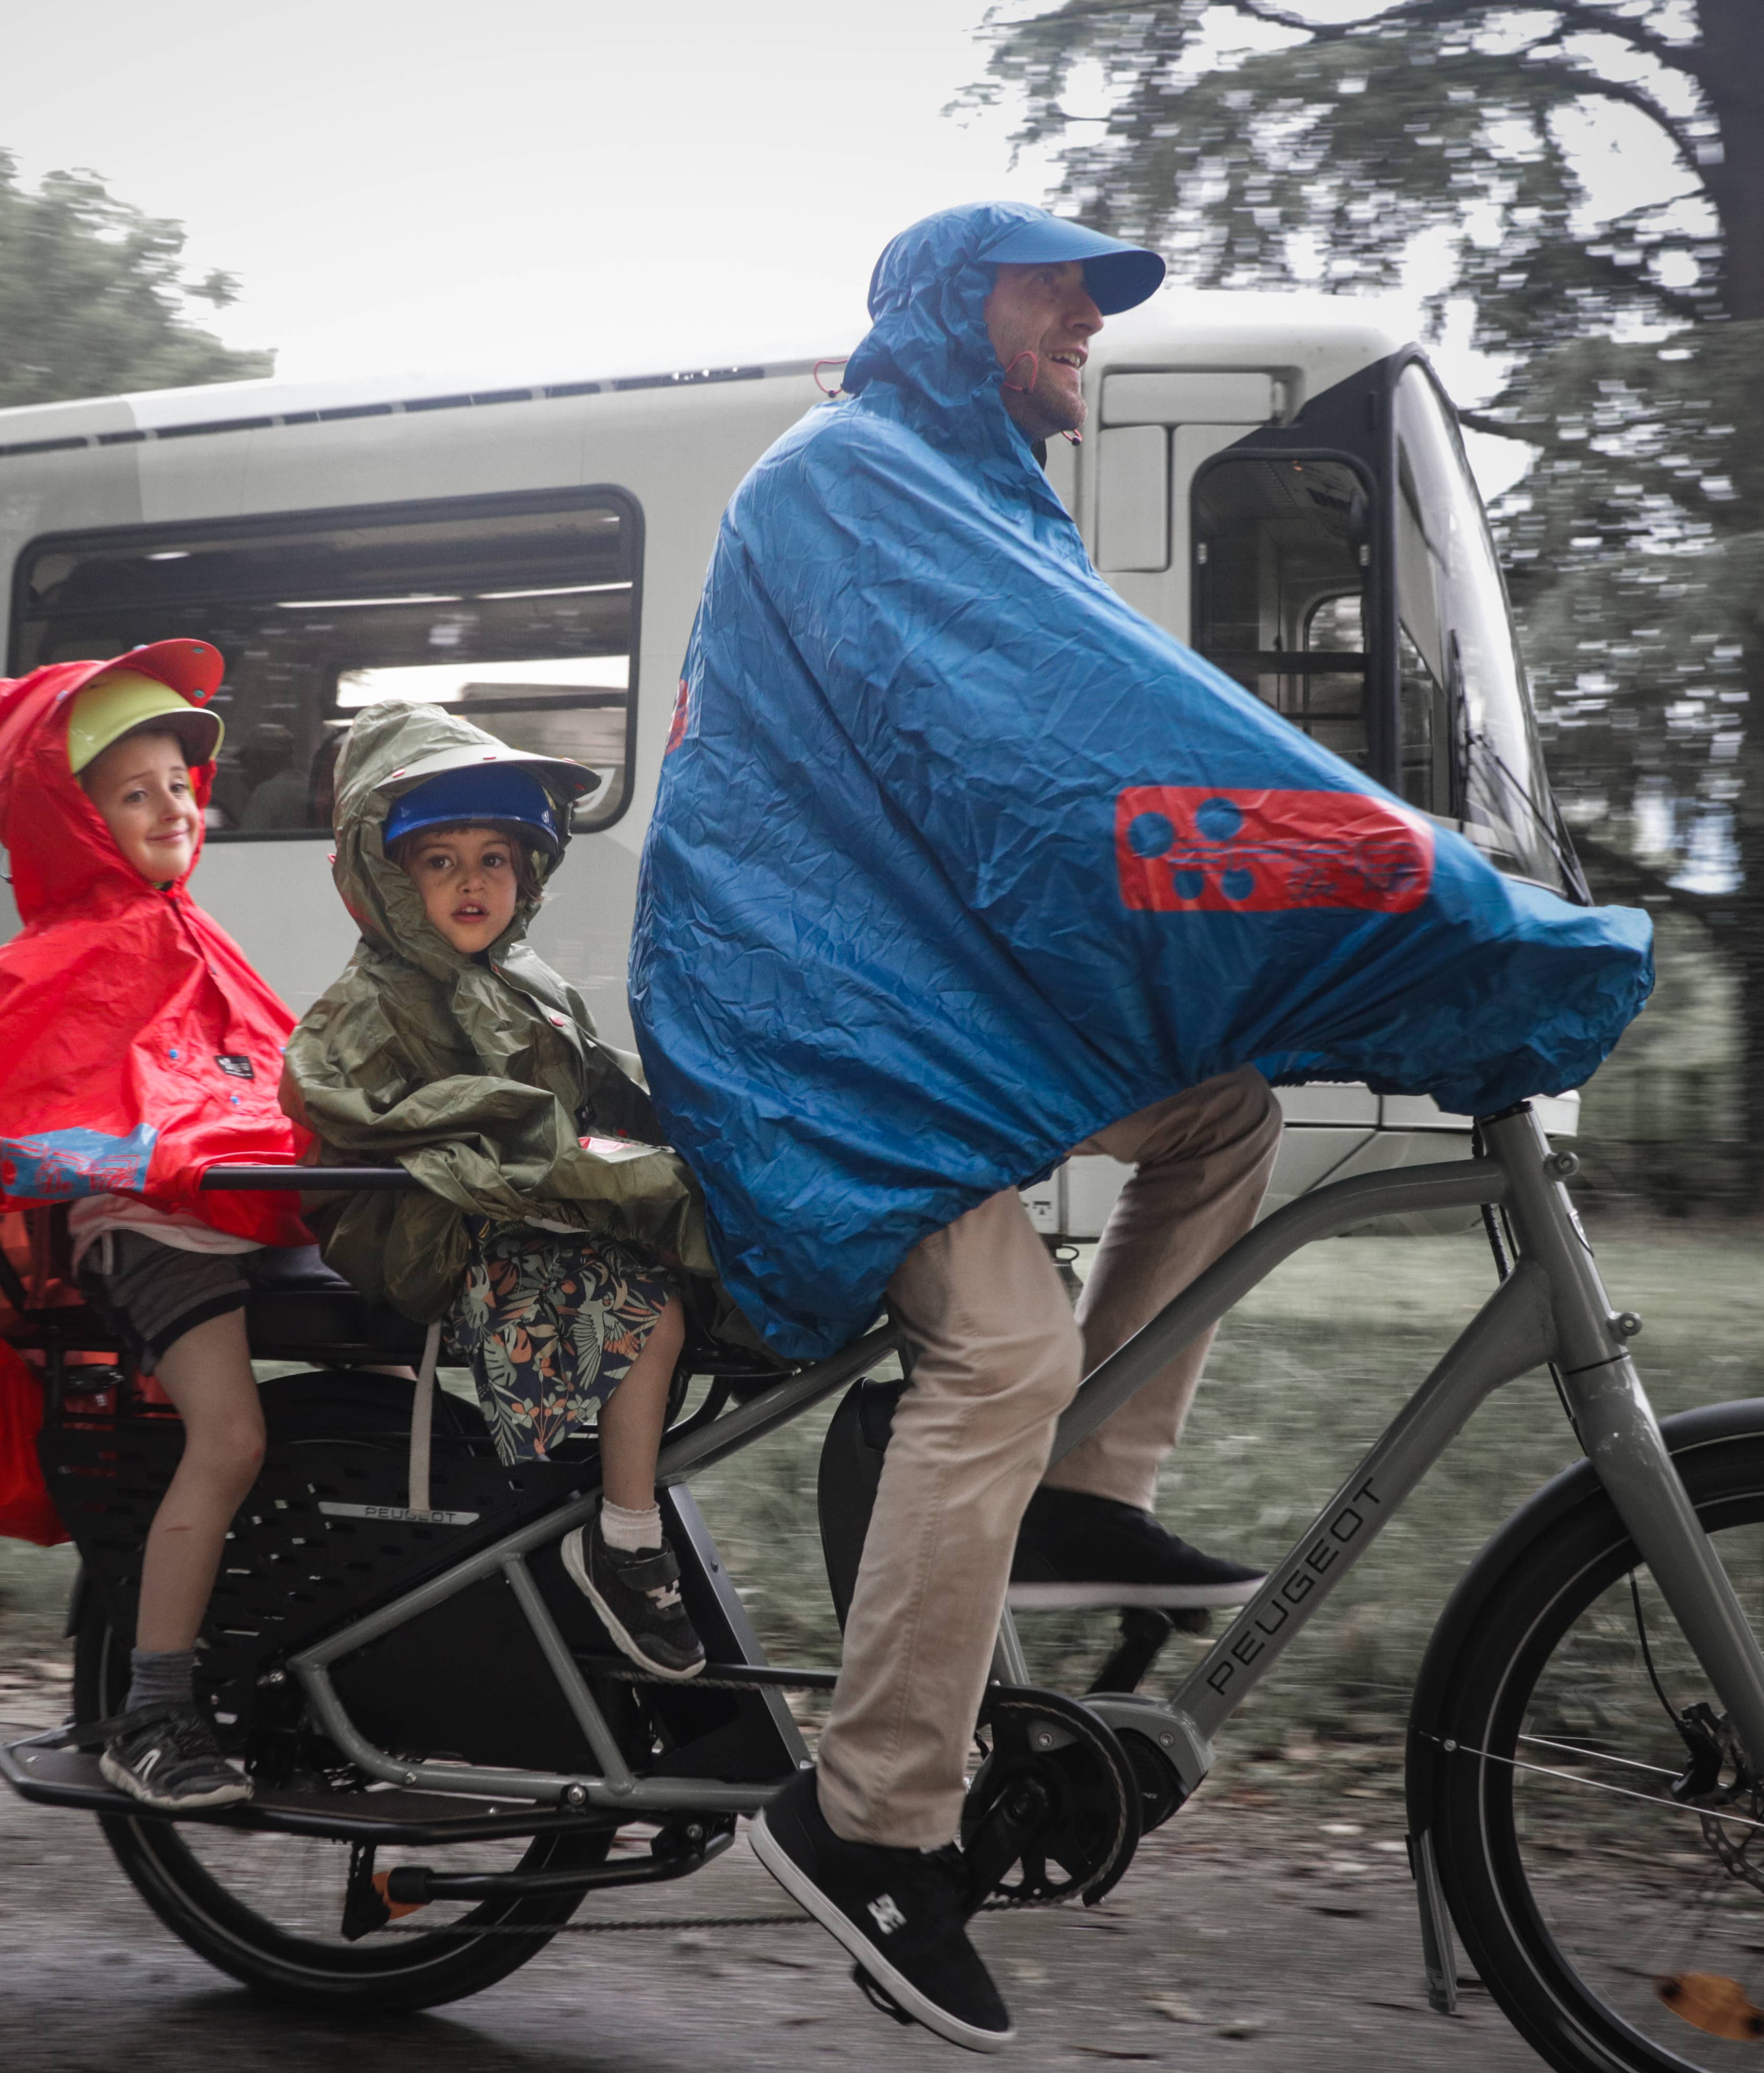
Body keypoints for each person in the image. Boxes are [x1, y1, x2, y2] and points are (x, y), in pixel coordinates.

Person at [628, 204, 1653, 2051]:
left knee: (1217, 1116)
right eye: (1057, 298)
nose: (1087, 329)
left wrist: (1350, 884)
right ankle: (865, 1822)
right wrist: (1385, 861)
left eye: (1096, 304)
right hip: (812, 1023)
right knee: (999, 1348)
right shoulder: (854, 482)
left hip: (913, 1001)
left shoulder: (975, 494)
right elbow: (1071, 747)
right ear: (959, 313)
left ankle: (1084, 1501)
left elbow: (1095, 738)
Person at [0, 638, 313, 1814]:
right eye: (134, 793)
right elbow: (13, 1108)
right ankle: (153, 1709)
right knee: (227, 1436)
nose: (173, 806)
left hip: (226, 1206)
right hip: (153, 1233)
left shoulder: (187, 929)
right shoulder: (57, 964)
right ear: (71, 823)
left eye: (181, 784)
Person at [285, 700, 725, 1678]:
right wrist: (572, 1160)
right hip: (430, 1232)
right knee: (641, 1307)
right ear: (388, 878)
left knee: (715, 1274)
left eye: (496, 857)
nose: (473, 881)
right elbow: (395, 1116)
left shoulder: (526, 981)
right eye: (440, 861)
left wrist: (709, 1130)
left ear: (529, 871)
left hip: (512, 1209)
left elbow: (605, 1088)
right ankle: (622, 1537)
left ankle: (593, 1480)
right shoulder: (370, 1002)